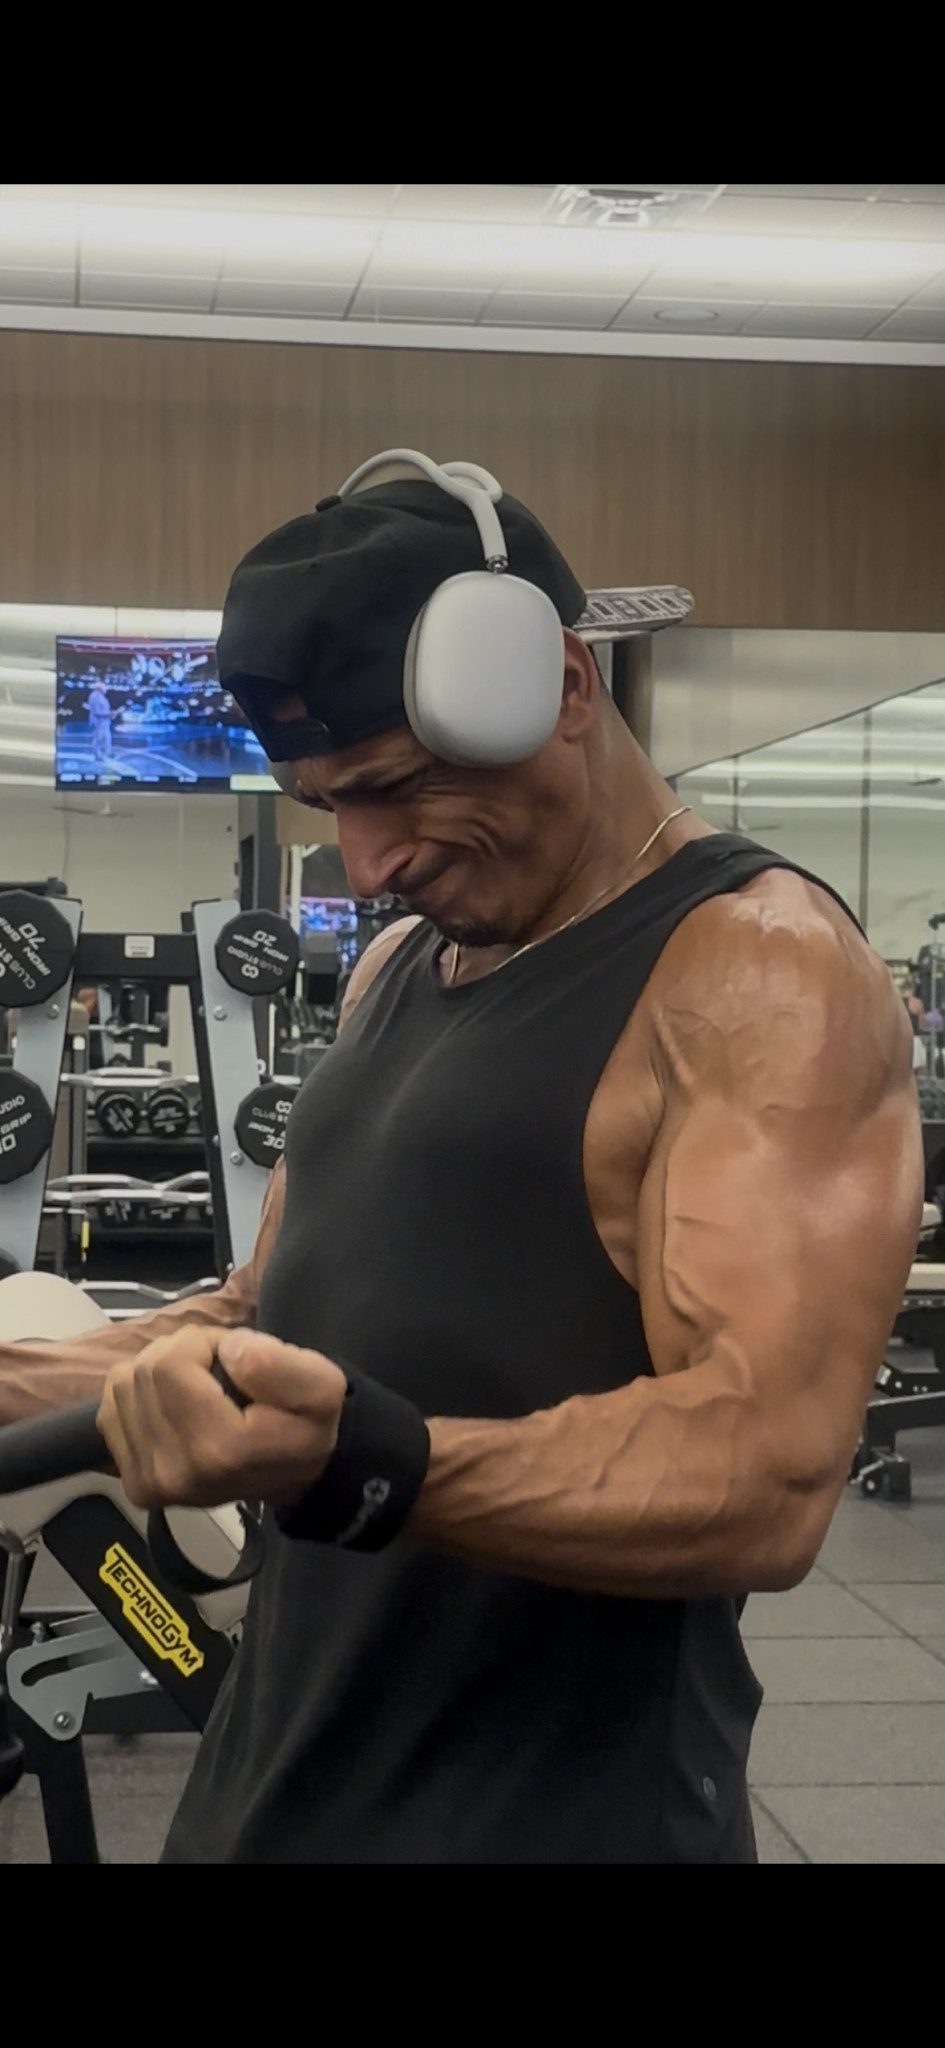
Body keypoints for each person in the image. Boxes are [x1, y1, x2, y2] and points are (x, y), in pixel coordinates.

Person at [0, 456, 923, 1865]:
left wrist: (371, 1464)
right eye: (328, 804)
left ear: (563, 687)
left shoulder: (757, 970)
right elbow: (263, 1317)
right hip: (279, 1776)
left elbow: (767, 1469)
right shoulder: (394, 972)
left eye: (396, 789)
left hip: (547, 1819)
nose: (368, 863)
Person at [85, 682, 113, 767]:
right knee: (98, 739)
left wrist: (110, 714)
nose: (106, 689)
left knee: (107, 738)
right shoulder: (95, 697)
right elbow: (97, 712)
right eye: (105, 688)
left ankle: (107, 753)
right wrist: (108, 714)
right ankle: (98, 755)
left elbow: (104, 709)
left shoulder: (102, 697)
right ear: (100, 688)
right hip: (98, 722)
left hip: (105, 722)